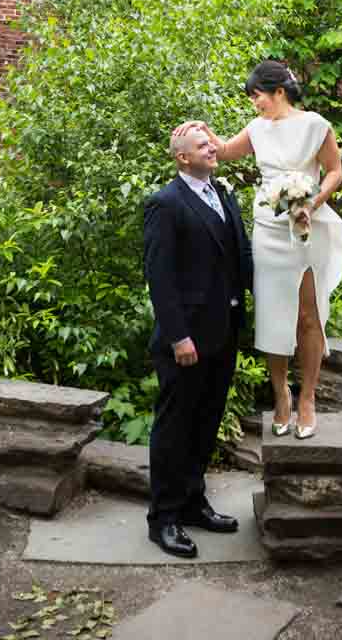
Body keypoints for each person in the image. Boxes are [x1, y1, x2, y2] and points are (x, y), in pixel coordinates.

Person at [174, 60, 342, 440]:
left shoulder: (316, 125)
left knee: (308, 314)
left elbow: (335, 170)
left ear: (278, 92)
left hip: (306, 226)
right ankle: (281, 394)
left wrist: (313, 202)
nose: (255, 104)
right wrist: (198, 129)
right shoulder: (257, 129)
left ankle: (308, 400)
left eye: (257, 96)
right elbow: (224, 150)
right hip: (269, 229)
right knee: (271, 314)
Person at [143, 124, 253, 559]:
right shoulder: (165, 203)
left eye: (212, 142)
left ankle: (192, 504)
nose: (213, 147)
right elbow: (160, 276)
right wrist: (178, 336)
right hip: (186, 341)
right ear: (182, 158)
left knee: (206, 423)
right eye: (202, 144)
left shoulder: (223, 194)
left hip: (224, 332)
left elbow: (240, 255)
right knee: (174, 429)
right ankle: (163, 519)